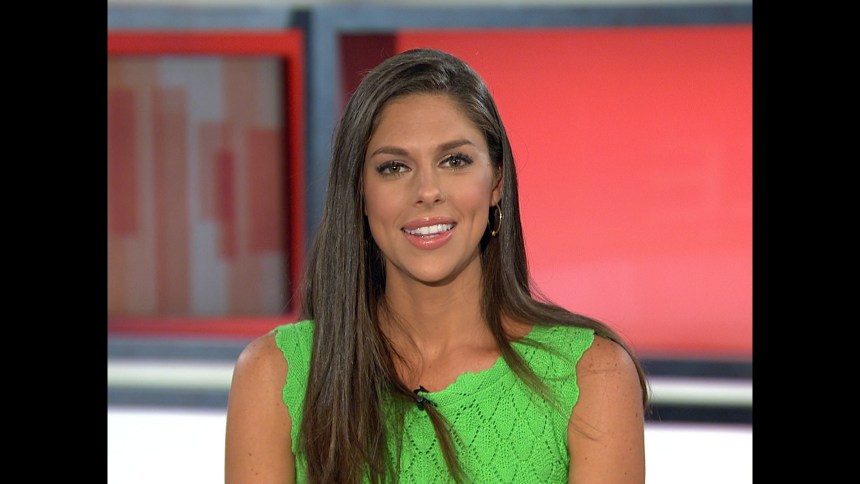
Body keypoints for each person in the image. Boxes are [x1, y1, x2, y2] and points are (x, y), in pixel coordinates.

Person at [225, 47, 649, 483]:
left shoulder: (591, 375)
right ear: (360, 194)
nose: (427, 191)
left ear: (496, 181)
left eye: (454, 161)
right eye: (394, 167)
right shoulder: (275, 374)